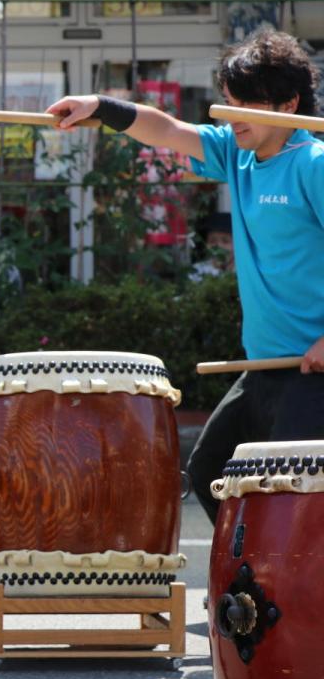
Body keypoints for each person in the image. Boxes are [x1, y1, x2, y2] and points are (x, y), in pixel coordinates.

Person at [46, 28, 324, 524]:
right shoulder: (238, 153)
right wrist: (100, 106)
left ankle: (287, 596)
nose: (230, 114)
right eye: (227, 101)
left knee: (291, 498)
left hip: (313, 370)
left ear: (288, 105)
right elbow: (167, 129)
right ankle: (253, 585)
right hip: (263, 366)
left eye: (245, 104)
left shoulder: (314, 165)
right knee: (211, 472)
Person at [189, 211, 235, 281]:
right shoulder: (196, 271)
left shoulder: (245, 272)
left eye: (225, 241)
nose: (219, 246)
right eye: (212, 241)